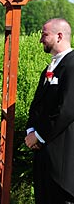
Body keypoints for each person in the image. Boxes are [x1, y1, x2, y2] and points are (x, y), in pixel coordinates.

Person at [25, 18, 74, 204]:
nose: (40, 39)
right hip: (44, 159)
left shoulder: (72, 65)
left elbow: (67, 109)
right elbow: (37, 104)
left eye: (44, 34)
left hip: (62, 162)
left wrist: (39, 135)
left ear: (59, 36)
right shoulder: (50, 67)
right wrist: (30, 130)